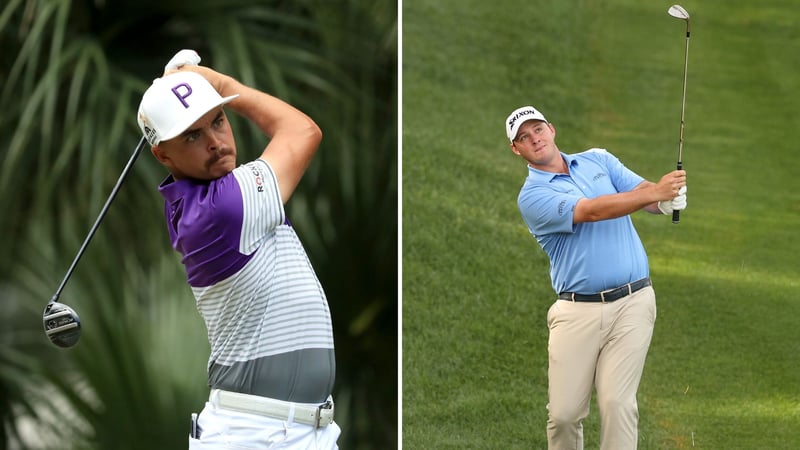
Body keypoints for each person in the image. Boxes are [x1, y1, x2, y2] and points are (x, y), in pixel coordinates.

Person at [137, 51, 340, 449]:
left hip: (301, 430)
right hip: (253, 434)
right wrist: (221, 85)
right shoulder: (224, 207)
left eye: (218, 119)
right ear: (163, 155)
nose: (215, 142)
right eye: (192, 135)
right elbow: (303, 131)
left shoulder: (209, 199)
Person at [505, 106, 687, 449]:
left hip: (634, 302)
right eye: (523, 138)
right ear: (517, 150)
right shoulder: (532, 197)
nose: (535, 139)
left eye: (538, 129)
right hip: (577, 312)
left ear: (552, 129)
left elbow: (641, 189)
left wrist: (664, 199)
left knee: (617, 403)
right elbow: (592, 210)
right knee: (563, 416)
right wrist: (654, 195)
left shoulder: (598, 159)